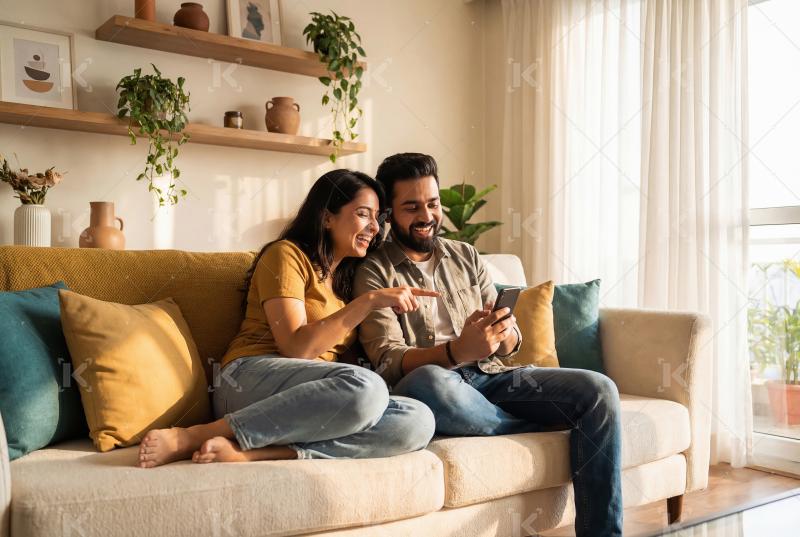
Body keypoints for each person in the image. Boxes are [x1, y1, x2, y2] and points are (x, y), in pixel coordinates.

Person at [353, 153, 623, 536]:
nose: (426, 215)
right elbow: (388, 361)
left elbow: (510, 344)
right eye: (411, 207)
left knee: (600, 390)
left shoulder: (465, 255)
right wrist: (456, 352)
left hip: (495, 379)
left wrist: (504, 333)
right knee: (428, 381)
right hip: (440, 384)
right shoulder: (375, 272)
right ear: (388, 213)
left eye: (432, 203)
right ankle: (532, 424)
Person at [137, 169, 437, 468]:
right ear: (327, 217)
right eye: (363, 214)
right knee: (367, 388)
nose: (374, 227)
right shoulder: (286, 255)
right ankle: (195, 435)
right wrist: (370, 301)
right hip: (248, 379)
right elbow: (296, 348)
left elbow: (343, 370)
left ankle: (256, 452)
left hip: (308, 397)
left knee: (418, 419)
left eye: (377, 218)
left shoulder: (347, 280)